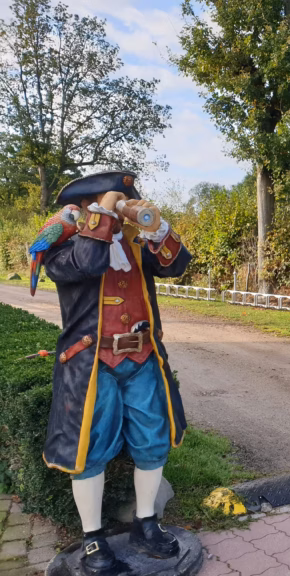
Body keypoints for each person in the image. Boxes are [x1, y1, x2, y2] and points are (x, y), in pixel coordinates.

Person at [41, 171, 192, 576]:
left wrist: (157, 227)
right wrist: (103, 215)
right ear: (88, 207)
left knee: (152, 441)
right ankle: (93, 538)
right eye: (112, 200)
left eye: (124, 198)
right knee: (89, 450)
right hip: (92, 365)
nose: (122, 206)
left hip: (142, 360)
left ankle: (147, 523)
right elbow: (89, 261)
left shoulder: (136, 247)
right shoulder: (63, 249)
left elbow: (177, 264)